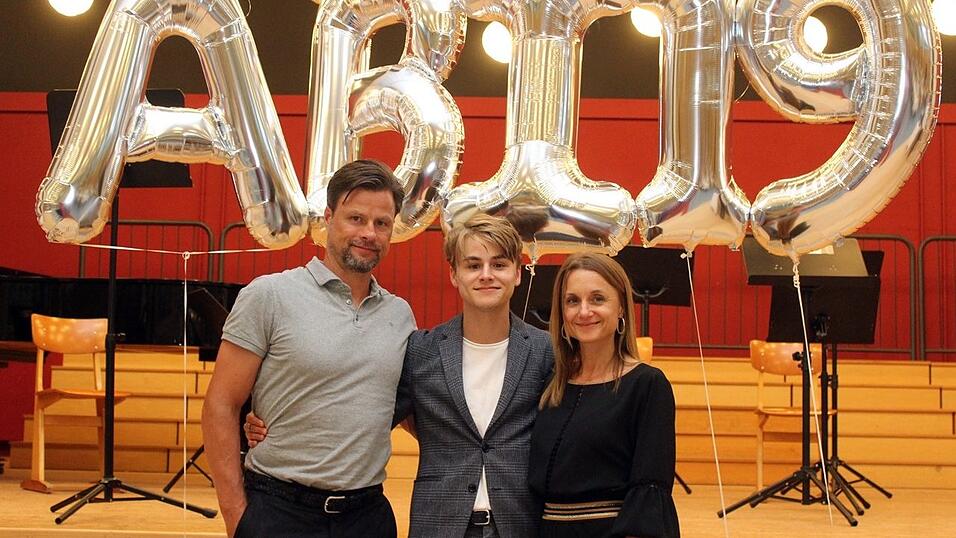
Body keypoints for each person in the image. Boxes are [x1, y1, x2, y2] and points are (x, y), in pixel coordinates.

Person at [247, 214, 554, 537]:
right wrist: (274, 425)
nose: (486, 275)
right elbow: (364, 412)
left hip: (521, 523)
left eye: (499, 265)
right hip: (438, 524)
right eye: (473, 265)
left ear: (518, 274)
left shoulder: (547, 351)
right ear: (454, 274)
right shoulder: (422, 350)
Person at [202, 159, 416, 538]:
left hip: (367, 518)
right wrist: (237, 517)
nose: (369, 232)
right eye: (356, 219)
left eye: (381, 223)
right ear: (329, 218)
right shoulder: (268, 295)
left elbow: (400, 407)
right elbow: (221, 404)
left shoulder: (401, 316)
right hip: (279, 513)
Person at [528, 253, 680, 538]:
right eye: (572, 301)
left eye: (597, 299)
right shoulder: (551, 384)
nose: (584, 311)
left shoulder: (647, 385)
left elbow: (649, 488)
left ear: (621, 307)